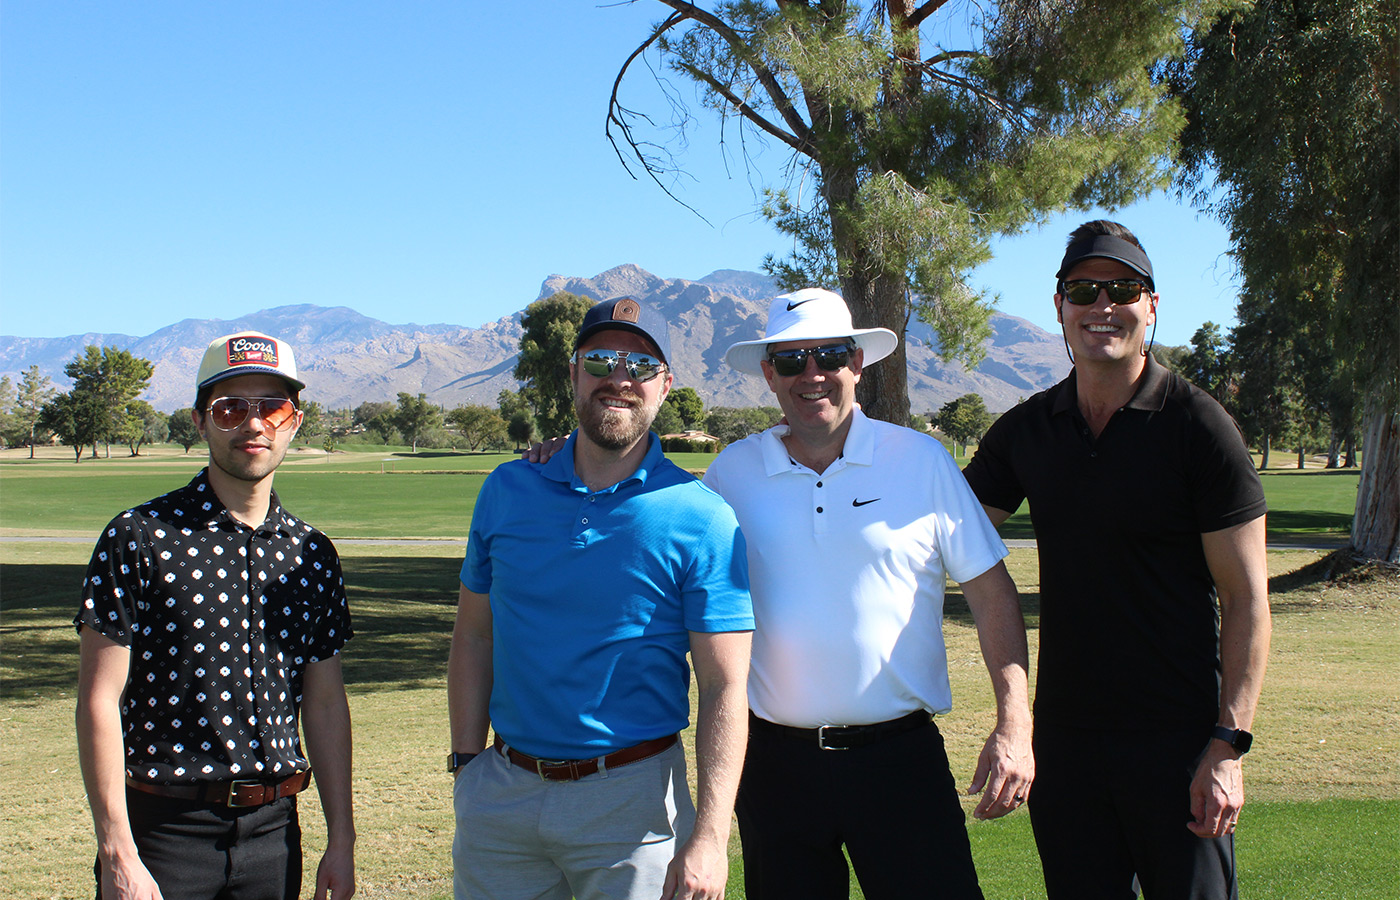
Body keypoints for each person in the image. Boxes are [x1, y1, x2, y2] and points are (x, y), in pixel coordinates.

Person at [962, 220, 1271, 899]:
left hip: (1181, 740)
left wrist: (1227, 747)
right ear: (1060, 307)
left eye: (1123, 288)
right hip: (1067, 743)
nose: (1103, 305)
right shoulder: (1029, 430)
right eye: (1083, 290)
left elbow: (1248, 600)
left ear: (1152, 305)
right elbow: (951, 539)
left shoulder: (1199, 428)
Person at [703, 289, 1034, 899]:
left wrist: (1015, 723)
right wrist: (561, 456)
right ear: (769, 375)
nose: (813, 375)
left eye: (828, 355)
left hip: (899, 761)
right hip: (776, 768)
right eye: (791, 360)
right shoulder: (731, 473)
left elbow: (992, 595)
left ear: (857, 363)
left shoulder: (921, 460)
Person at [448, 297, 753, 900]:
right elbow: (474, 635)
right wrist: (466, 765)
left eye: (640, 366)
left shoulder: (702, 517)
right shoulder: (507, 489)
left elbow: (725, 685)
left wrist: (713, 836)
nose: (619, 378)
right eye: (602, 360)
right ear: (573, 373)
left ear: (665, 385)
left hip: (633, 804)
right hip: (502, 796)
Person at [75, 330, 356, 900]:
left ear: (294, 422)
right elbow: (98, 700)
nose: (253, 425)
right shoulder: (139, 538)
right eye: (230, 408)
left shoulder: (311, 552)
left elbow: (324, 701)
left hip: (275, 834)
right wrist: (117, 852)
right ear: (201, 422)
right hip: (164, 835)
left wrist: (343, 839)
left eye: (271, 408)